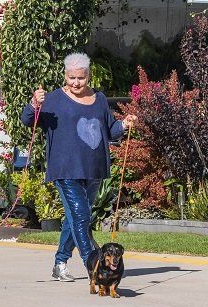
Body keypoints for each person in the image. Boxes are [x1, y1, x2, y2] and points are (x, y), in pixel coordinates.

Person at [29, 52, 136, 281]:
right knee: (81, 214)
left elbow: (110, 130)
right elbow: (29, 120)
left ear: (88, 76)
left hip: (94, 169)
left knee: (76, 218)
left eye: (81, 78)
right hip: (66, 169)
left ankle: (60, 263)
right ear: (65, 76)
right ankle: (93, 264)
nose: (76, 83)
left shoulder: (99, 99)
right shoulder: (54, 99)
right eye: (71, 78)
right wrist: (34, 104)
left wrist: (124, 125)